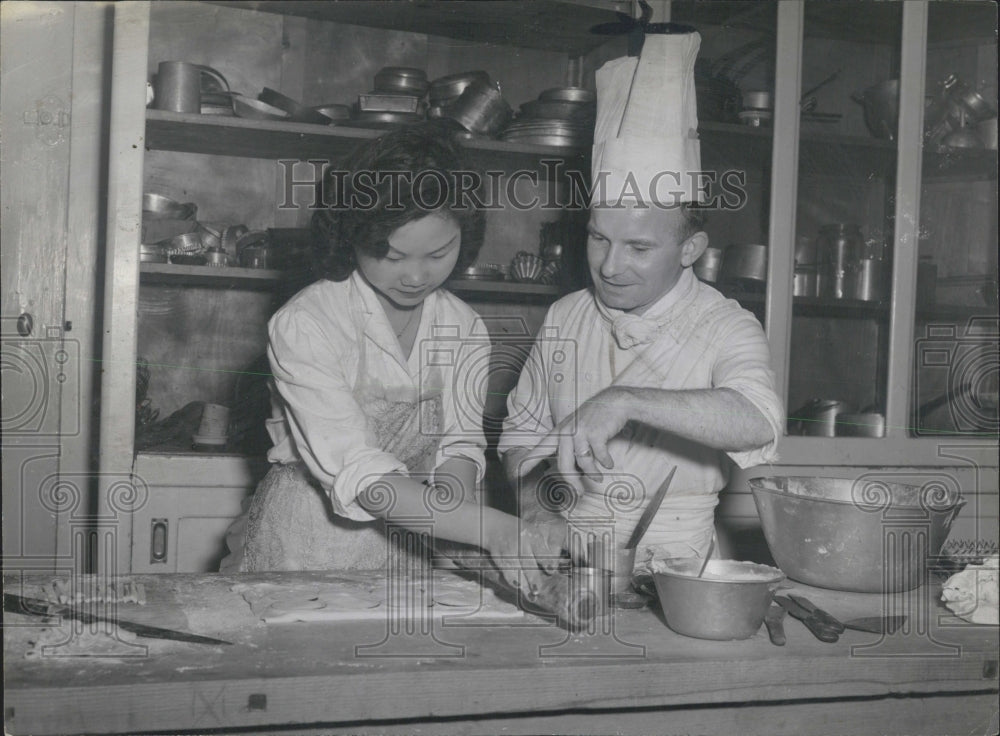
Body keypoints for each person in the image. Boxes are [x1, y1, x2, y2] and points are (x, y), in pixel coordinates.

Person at [221, 122, 550, 593]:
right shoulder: (309, 322)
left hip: (411, 540)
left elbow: (458, 444)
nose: (416, 277)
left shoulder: (463, 326)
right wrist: (489, 527)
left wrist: (451, 522)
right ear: (351, 236)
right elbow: (359, 471)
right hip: (307, 542)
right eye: (392, 256)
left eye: (439, 253)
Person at [498, 32, 784, 570]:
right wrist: (537, 510)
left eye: (639, 247)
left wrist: (623, 399)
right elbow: (522, 438)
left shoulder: (725, 324)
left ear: (690, 249)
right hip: (570, 553)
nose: (608, 266)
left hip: (679, 560)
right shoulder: (566, 316)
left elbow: (759, 420)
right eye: (598, 238)